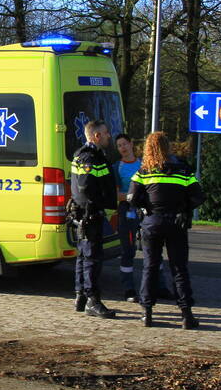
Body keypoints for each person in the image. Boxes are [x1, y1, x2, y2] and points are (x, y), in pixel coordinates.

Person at [128, 131, 205, 329]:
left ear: (148, 149)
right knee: (179, 269)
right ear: (167, 147)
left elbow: (132, 198)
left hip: (151, 224)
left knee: (150, 267)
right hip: (176, 223)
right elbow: (198, 197)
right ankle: (186, 315)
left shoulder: (144, 172)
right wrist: (184, 210)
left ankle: (147, 313)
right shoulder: (184, 170)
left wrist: (145, 208)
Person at [112, 134, 170, 302]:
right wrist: (134, 196)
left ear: (131, 144)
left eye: (124, 144)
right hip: (126, 213)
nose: (122, 148)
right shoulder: (117, 167)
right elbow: (117, 195)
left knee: (153, 250)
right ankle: (129, 289)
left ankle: (160, 286)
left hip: (146, 212)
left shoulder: (144, 165)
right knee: (128, 251)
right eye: (119, 145)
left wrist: (137, 197)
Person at [70, 119, 118, 318]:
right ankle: (92, 300)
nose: (109, 136)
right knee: (92, 258)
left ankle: (80, 296)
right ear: (97, 135)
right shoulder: (91, 158)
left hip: (85, 214)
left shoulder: (82, 154)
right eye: (106, 133)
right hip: (90, 214)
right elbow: (86, 187)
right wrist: (97, 206)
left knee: (83, 256)